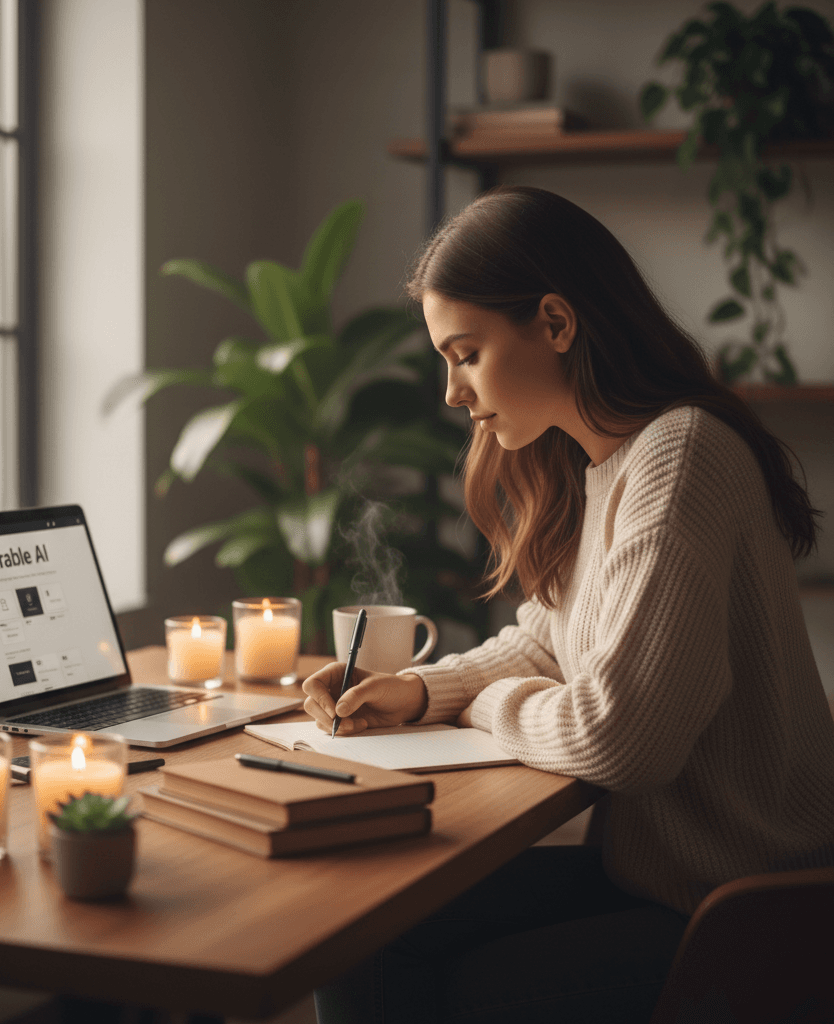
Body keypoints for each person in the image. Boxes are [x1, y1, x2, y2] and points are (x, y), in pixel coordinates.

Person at [303, 185, 834, 1024]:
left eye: (465, 352)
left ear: (555, 323)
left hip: (749, 910)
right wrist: (420, 689)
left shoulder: (679, 458)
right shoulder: (609, 463)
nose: (451, 392)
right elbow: (546, 640)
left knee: (443, 983)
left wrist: (481, 703)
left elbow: (621, 740)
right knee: (366, 924)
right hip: (665, 877)